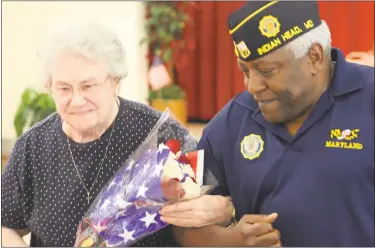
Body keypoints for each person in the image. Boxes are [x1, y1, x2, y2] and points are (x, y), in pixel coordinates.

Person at [160, 1, 374, 246]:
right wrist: (229, 241)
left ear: (314, 57)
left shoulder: (368, 99)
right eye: (245, 71)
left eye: (267, 70)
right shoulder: (232, 120)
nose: (253, 86)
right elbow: (176, 219)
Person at [1, 21, 233, 247]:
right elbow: (5, 224)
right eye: (63, 88)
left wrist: (221, 210)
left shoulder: (161, 135)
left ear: (115, 82)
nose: (76, 100)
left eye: (88, 86)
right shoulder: (32, 147)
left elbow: (218, 208)